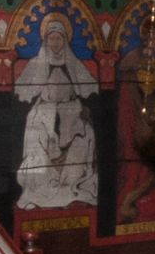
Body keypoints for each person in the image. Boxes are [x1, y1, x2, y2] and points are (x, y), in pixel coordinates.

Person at [14, 12, 99, 210]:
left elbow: (88, 89)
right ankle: (40, 190)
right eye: (51, 38)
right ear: (46, 40)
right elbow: (23, 91)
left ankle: (73, 186)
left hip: (71, 111)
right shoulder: (36, 63)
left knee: (86, 135)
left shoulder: (73, 63)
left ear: (64, 40)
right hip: (44, 111)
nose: (55, 42)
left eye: (58, 38)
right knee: (35, 133)